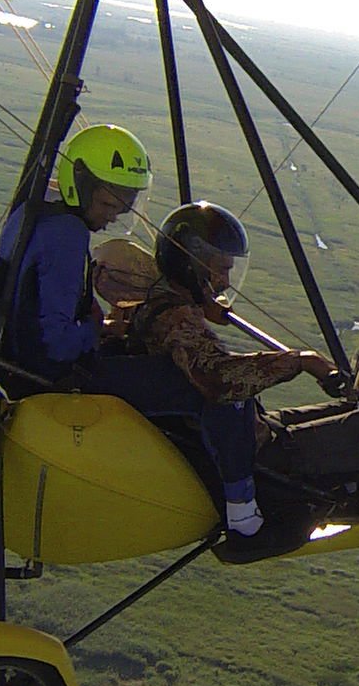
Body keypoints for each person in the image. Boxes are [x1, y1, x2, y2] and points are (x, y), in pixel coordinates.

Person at [100, 202, 337, 552]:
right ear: (191, 263)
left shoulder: (166, 301)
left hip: (170, 403)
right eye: (219, 269)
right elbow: (219, 378)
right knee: (232, 398)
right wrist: (300, 362)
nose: (225, 280)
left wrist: (201, 304)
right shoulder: (174, 317)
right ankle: (243, 515)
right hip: (183, 418)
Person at [0, 123, 148, 387]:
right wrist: (95, 329)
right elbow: (55, 346)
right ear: (81, 186)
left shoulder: (36, 207)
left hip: (12, 358)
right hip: (43, 377)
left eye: (121, 209)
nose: (111, 217)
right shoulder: (67, 234)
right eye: (106, 205)